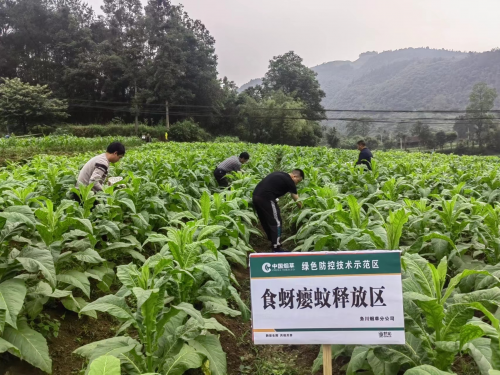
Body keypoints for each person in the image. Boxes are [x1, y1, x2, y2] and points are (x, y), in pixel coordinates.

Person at [252, 169, 304, 252]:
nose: (296, 183)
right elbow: (296, 199)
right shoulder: (289, 181)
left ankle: (272, 240)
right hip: (266, 198)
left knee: (266, 221)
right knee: (276, 222)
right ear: (294, 176)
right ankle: (276, 247)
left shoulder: (280, 174)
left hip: (256, 196)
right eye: (297, 181)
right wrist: (303, 209)